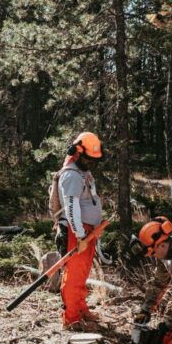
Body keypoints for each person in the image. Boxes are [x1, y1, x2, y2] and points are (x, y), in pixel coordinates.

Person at [55, 131, 105, 330]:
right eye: (88, 159)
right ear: (76, 153)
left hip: (87, 230)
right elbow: (71, 207)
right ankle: (71, 317)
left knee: (82, 273)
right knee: (74, 275)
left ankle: (81, 307)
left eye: (94, 160)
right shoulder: (71, 175)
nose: (91, 163)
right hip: (77, 233)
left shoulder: (84, 172)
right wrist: (80, 235)